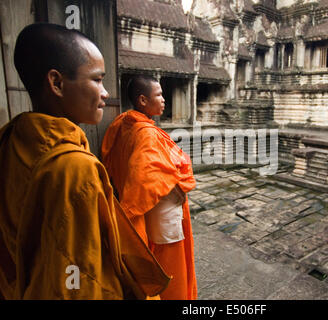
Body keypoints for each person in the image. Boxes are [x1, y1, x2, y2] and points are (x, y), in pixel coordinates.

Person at [0, 23, 170, 299]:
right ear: (56, 83)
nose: (105, 93)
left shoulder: (10, 137)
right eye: (97, 79)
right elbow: (78, 275)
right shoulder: (75, 169)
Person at [101, 76, 197, 300]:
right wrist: (180, 176)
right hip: (162, 212)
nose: (164, 100)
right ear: (143, 100)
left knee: (159, 261)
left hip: (155, 211)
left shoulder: (125, 123)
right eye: (159, 95)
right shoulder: (146, 134)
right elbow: (147, 178)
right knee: (171, 268)